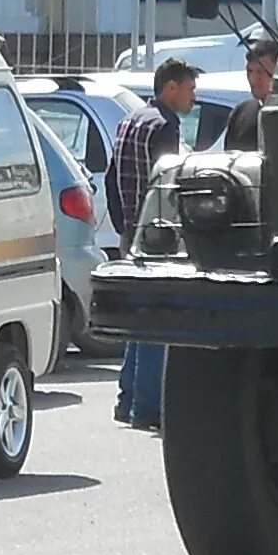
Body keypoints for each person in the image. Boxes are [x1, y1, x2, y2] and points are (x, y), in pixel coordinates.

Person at [105, 57, 198, 431]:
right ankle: (147, 407)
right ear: (170, 88)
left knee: (138, 320)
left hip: (131, 230)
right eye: (189, 89)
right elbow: (167, 184)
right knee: (157, 322)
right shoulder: (164, 125)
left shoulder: (131, 119)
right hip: (156, 233)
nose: (193, 97)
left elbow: (112, 176)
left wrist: (123, 228)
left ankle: (126, 399)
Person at [223, 36, 278, 153]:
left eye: (260, 72)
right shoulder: (240, 113)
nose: (253, 79)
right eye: (249, 71)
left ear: (277, 71)